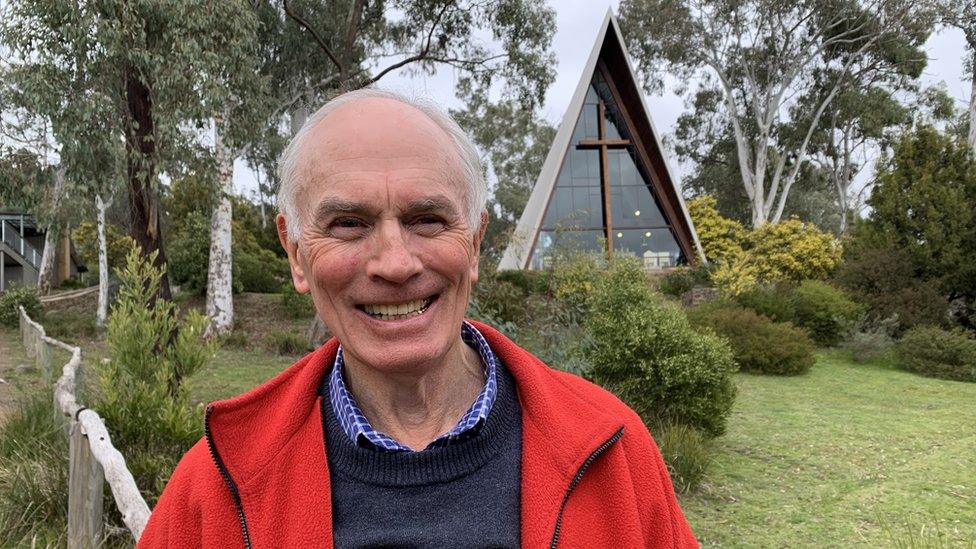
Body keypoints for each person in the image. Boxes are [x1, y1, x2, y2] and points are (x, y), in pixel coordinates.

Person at [138, 88, 698, 548]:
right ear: (296, 253)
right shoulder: (217, 489)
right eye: (349, 224)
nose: (396, 264)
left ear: (475, 243)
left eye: (427, 219)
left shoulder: (613, 454)